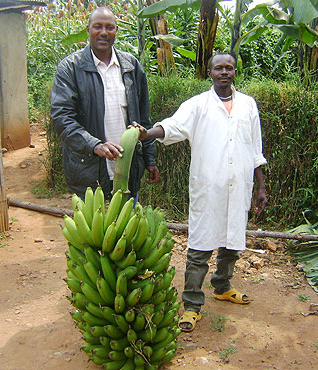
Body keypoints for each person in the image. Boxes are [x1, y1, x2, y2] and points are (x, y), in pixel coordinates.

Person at [136, 52, 267, 332]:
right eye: (218, 68)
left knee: (232, 243)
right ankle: (192, 304)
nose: (224, 72)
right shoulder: (198, 105)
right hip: (208, 189)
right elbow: (172, 126)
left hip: (239, 187)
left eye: (229, 68)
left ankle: (222, 286)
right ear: (209, 73)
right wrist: (148, 134)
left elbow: (256, 149)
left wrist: (261, 187)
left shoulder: (248, 105)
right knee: (199, 247)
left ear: (235, 72)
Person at [50, 7, 159, 200]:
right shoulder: (70, 68)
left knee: (126, 227)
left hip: (128, 169)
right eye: (97, 26)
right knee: (94, 229)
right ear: (88, 29)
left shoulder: (131, 66)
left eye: (109, 27)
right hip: (89, 169)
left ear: (116, 30)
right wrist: (94, 145)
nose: (103, 32)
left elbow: (144, 118)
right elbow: (62, 118)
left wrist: (150, 159)